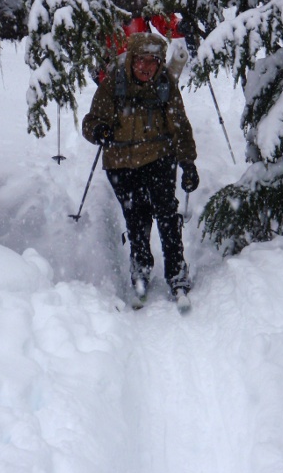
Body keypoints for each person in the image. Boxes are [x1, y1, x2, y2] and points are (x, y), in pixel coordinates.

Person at [82, 31, 199, 304]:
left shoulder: (165, 84)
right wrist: (99, 130)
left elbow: (179, 126)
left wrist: (188, 163)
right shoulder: (113, 84)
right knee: (136, 218)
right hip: (121, 163)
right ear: (131, 60)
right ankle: (141, 268)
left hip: (159, 157)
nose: (147, 67)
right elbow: (91, 121)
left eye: (153, 61)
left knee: (167, 214)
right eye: (141, 61)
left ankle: (176, 273)